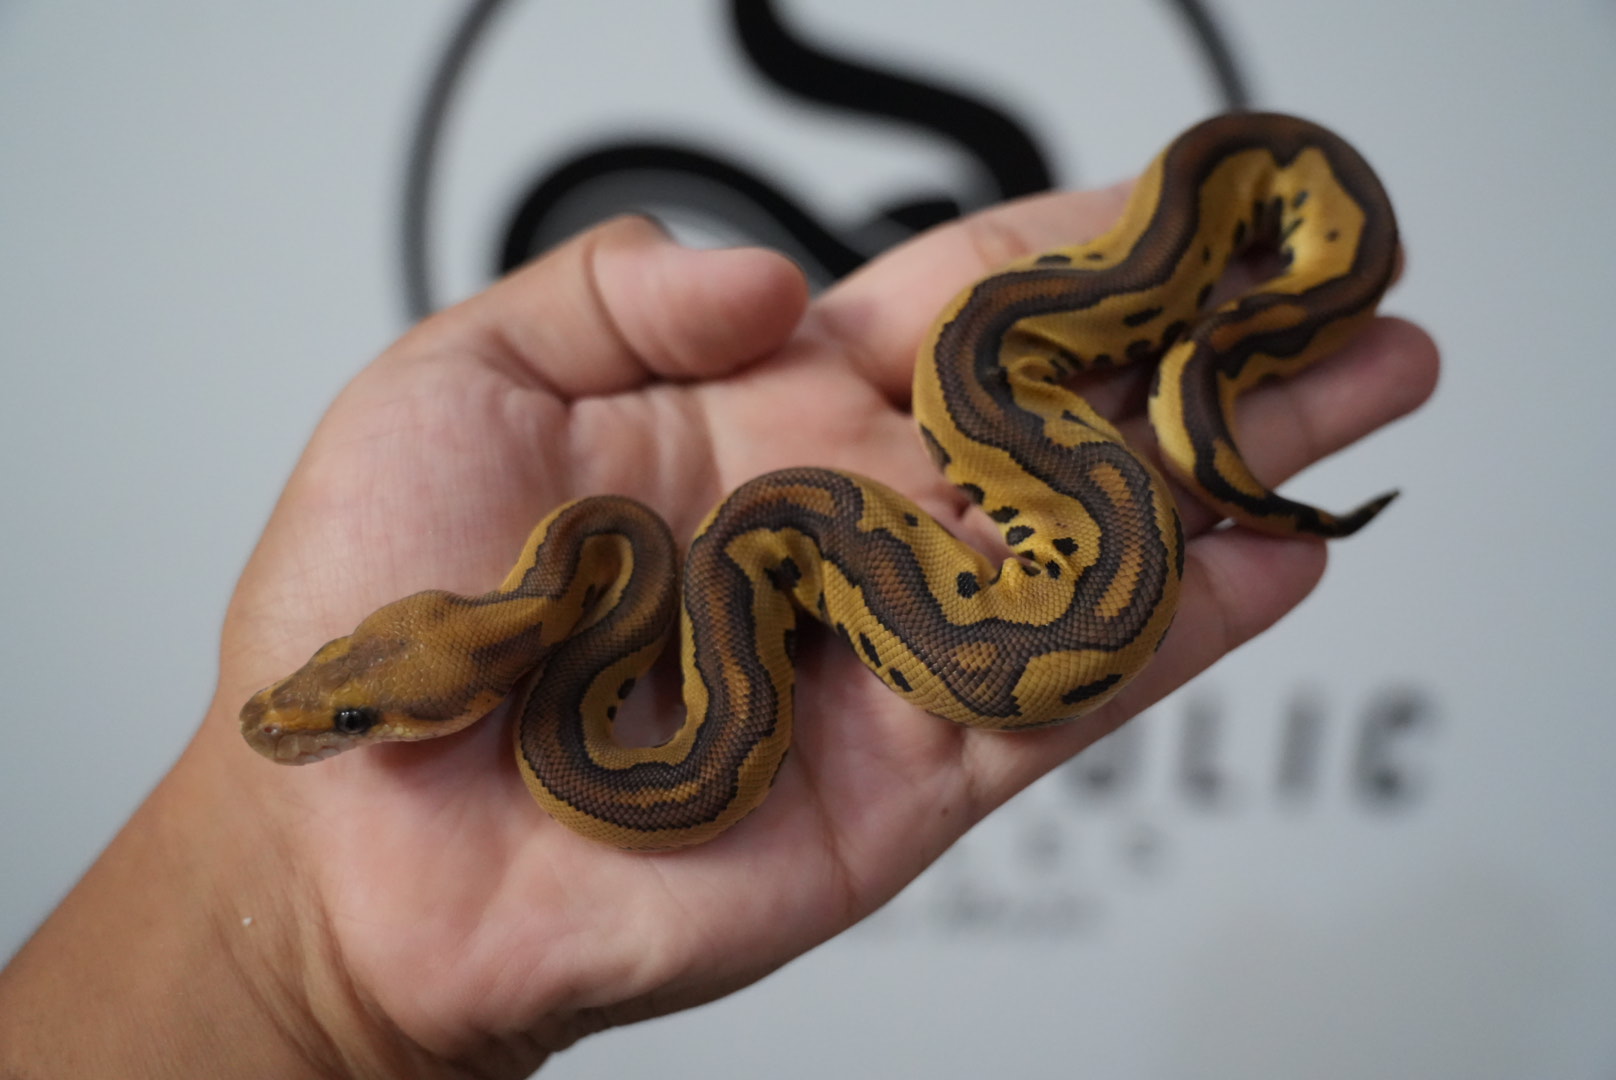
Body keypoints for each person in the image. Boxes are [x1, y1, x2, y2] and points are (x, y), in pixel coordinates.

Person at [0, 184, 1437, 1077]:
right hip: (988, 556)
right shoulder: (609, 576)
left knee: (992, 356)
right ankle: (1189, 359)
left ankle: (1207, 334)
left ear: (463, 664)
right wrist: (301, 962)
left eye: (350, 709)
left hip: (1016, 535)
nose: (314, 719)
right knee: (1005, 372)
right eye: (348, 705)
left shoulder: (623, 576)